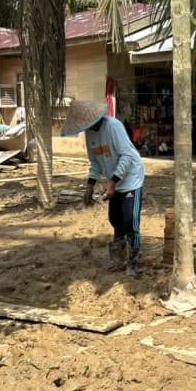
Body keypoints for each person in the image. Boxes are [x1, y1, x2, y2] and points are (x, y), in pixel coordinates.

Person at [60, 101, 145, 276]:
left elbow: (127, 155)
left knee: (131, 222)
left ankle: (133, 262)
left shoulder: (113, 126)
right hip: (113, 181)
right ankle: (118, 258)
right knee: (116, 220)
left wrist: (113, 182)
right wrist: (89, 186)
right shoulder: (89, 134)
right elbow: (96, 163)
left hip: (131, 177)